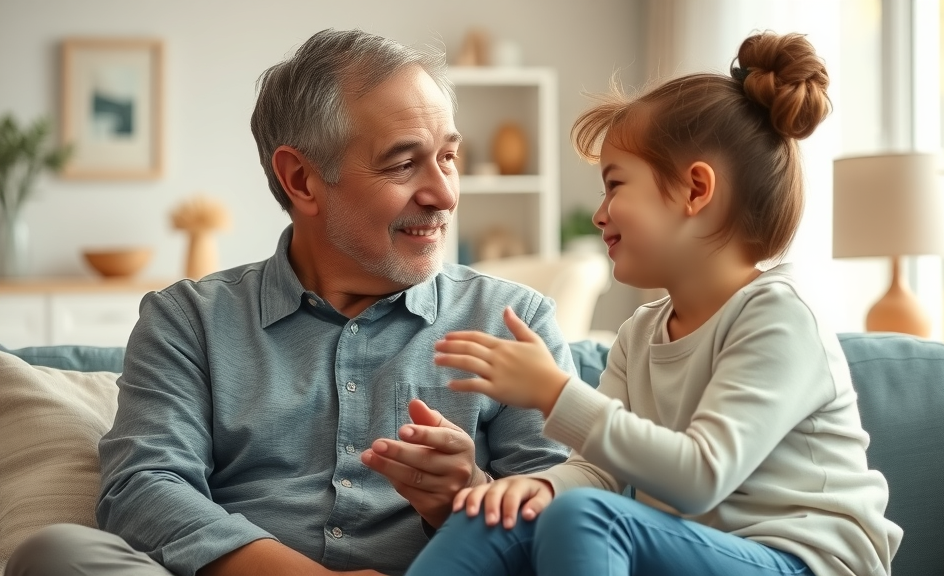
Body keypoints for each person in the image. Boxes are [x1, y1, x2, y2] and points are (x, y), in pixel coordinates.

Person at [4, 29, 571, 576]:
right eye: (403, 164)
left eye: (448, 157)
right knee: (57, 553)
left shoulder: (515, 322)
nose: (444, 194)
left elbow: (571, 521)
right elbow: (143, 487)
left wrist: (463, 497)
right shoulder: (188, 320)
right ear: (300, 178)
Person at [406, 32, 903, 576]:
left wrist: (553, 392)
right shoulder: (639, 334)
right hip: (699, 553)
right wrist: (538, 486)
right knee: (495, 511)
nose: (599, 214)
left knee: (587, 519)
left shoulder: (776, 317)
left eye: (614, 184)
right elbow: (597, 473)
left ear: (695, 191)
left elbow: (700, 475)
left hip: (805, 563)